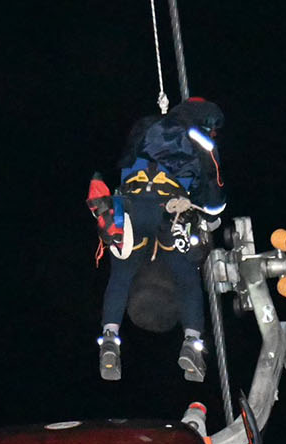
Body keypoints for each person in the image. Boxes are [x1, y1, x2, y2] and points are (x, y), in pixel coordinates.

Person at [87, 98, 226, 382]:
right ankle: (191, 343)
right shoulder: (204, 141)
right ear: (209, 123)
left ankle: (110, 337)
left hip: (132, 204)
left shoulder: (147, 127)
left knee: (122, 273)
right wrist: (211, 215)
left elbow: (126, 159)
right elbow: (213, 194)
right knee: (186, 276)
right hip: (170, 208)